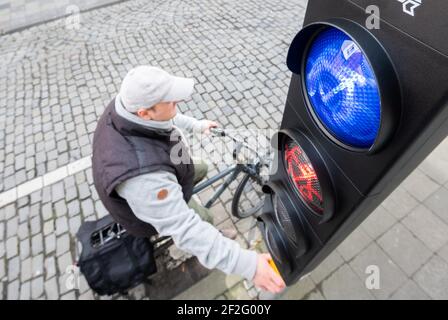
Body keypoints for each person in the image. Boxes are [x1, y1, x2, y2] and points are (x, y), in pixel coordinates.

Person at [91, 65, 285, 294]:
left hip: (167, 162)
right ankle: (215, 234)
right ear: (144, 113)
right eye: (171, 102)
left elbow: (165, 117)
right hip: (148, 199)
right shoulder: (143, 178)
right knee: (202, 218)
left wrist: (197, 125)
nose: (177, 104)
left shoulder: (125, 107)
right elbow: (186, 229)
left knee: (199, 166)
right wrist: (249, 266)